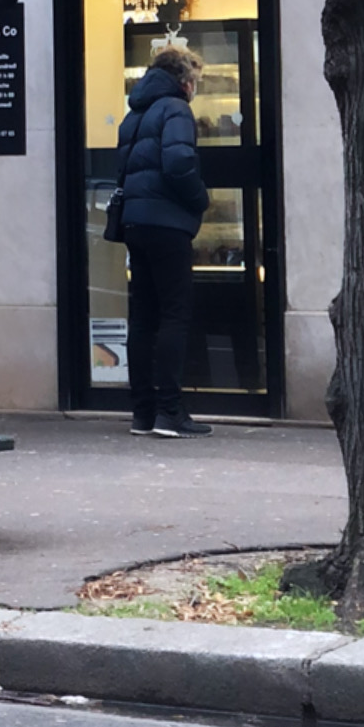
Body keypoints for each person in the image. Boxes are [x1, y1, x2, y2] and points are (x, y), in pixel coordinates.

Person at [116, 44, 210, 439]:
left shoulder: (134, 114)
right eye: (194, 81)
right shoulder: (175, 109)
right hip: (167, 224)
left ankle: (143, 412)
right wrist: (200, 200)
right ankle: (170, 412)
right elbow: (179, 163)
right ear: (184, 80)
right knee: (174, 313)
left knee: (143, 317)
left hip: (135, 222)